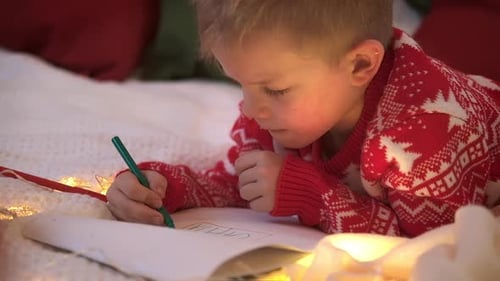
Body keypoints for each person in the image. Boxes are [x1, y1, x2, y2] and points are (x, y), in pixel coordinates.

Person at [106, 0, 500, 237]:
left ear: (360, 65)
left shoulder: (423, 133)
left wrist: (313, 195)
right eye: (240, 84)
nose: (250, 109)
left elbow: (433, 244)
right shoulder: (275, 111)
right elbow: (240, 183)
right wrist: (164, 187)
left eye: (275, 90)